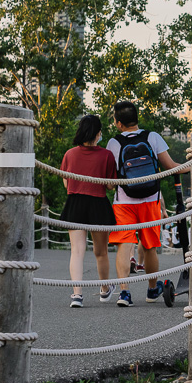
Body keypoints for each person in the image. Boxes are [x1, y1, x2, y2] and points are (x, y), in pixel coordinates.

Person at [107, 100, 176, 307]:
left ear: (119, 123)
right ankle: (152, 290)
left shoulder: (114, 143)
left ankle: (125, 294)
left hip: (123, 202)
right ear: (136, 118)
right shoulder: (152, 137)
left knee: (124, 246)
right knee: (150, 247)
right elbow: (170, 166)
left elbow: (110, 181)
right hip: (150, 200)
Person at [59, 115, 119, 308]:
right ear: (98, 133)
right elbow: (110, 186)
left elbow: (66, 182)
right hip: (98, 204)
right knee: (100, 252)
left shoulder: (70, 154)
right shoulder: (107, 155)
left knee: (76, 251)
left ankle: (77, 295)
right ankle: (104, 289)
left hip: (75, 202)